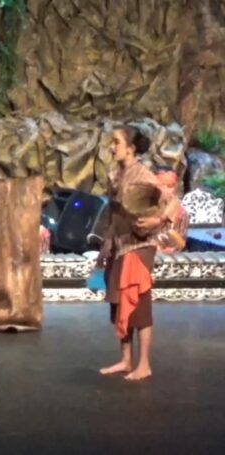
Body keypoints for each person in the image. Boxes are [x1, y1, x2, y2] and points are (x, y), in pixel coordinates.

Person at [97, 126, 177, 381]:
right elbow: (113, 214)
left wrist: (158, 220)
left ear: (131, 149)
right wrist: (106, 244)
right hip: (119, 244)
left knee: (138, 304)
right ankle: (126, 360)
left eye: (116, 142)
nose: (112, 147)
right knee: (119, 302)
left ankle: (144, 364)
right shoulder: (115, 174)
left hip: (139, 246)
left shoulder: (143, 174)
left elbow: (173, 201)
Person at [154, 168, 189, 253]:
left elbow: (182, 245)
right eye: (161, 186)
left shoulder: (181, 212)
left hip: (172, 257)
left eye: (170, 186)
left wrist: (171, 234)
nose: (165, 190)